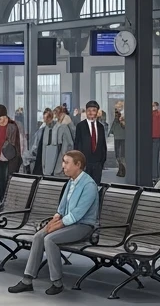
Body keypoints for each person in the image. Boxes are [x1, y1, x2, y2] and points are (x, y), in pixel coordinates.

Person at [8, 150, 99, 295]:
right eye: (63, 162)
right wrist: (55, 219)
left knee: (50, 239)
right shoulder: (71, 181)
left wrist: (55, 226)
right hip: (68, 223)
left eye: (67, 162)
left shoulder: (89, 185)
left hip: (83, 226)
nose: (63, 166)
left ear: (78, 165)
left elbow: (77, 214)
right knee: (39, 236)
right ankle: (27, 280)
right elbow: (62, 207)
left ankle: (57, 282)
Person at [0, 104, 23, 200]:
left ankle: (6, 203)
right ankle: (2, 203)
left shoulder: (13, 126)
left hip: (10, 160)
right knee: (0, 184)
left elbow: (18, 143)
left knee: (8, 184)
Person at [75, 100, 108, 184]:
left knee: (95, 186)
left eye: (93, 110)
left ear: (97, 112)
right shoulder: (80, 126)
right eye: (89, 110)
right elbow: (77, 145)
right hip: (84, 163)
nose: (91, 112)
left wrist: (101, 162)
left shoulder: (101, 127)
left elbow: (103, 145)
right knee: (84, 186)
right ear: (86, 112)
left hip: (97, 164)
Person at [42, 107, 74, 178]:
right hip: (48, 165)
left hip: (59, 164)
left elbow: (67, 147)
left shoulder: (63, 127)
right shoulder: (46, 129)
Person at [26, 108, 54, 176]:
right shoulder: (43, 130)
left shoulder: (43, 130)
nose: (45, 120)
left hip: (42, 158)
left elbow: (35, 146)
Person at [112, 108, 126, 179]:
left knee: (120, 155)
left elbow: (112, 130)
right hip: (118, 138)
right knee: (119, 155)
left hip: (120, 139)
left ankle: (122, 169)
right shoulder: (118, 122)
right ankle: (121, 169)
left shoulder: (121, 122)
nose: (116, 117)